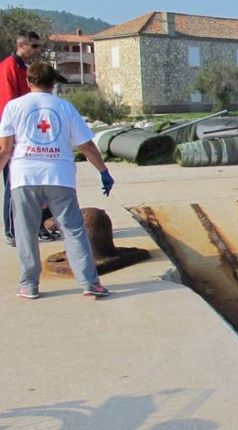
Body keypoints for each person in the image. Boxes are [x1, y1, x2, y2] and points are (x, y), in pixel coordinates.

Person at [0, 63, 114, 299]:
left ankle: (29, 284)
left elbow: (5, 150)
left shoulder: (13, 107)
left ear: (28, 81)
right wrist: (103, 171)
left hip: (24, 177)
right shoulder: (65, 107)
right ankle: (89, 282)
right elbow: (86, 145)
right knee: (73, 230)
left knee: (26, 232)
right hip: (59, 176)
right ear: (53, 84)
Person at [1, 30, 59, 247]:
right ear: (22, 45)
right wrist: (11, 140)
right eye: (34, 46)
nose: (38, 50)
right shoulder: (9, 68)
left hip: (34, 136)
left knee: (40, 184)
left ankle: (43, 226)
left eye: (39, 46)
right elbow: (8, 105)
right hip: (16, 138)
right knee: (13, 184)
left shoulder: (28, 69)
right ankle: (12, 230)